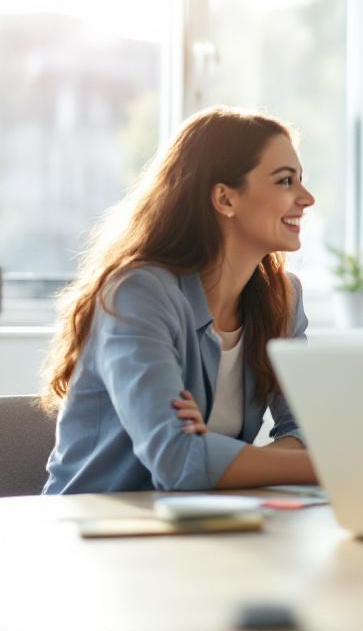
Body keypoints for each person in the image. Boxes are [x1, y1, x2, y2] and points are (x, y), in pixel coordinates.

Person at [43, 107, 317, 494]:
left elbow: (306, 430)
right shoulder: (139, 293)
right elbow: (179, 464)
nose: (307, 198)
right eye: (286, 181)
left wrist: (212, 453)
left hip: (203, 523)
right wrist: (314, 467)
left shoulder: (283, 299)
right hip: (97, 529)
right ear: (225, 198)